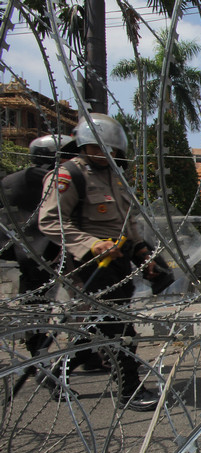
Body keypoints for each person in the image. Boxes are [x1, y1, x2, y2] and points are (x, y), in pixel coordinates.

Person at [38, 113, 161, 411]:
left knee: (101, 324)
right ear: (84, 145)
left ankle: (57, 369)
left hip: (118, 261)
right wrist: (91, 244)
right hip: (87, 264)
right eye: (98, 149)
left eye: (112, 151)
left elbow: (126, 222)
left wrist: (142, 253)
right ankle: (130, 389)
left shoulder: (115, 176)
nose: (106, 155)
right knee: (118, 327)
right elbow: (49, 221)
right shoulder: (68, 175)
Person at [1, 135, 79, 398]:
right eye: (67, 154)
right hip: (46, 256)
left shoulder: (16, 180)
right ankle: (45, 367)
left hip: (33, 256)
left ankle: (48, 362)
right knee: (45, 309)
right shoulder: (51, 179)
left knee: (43, 311)